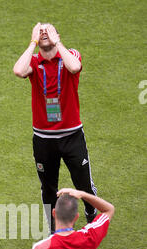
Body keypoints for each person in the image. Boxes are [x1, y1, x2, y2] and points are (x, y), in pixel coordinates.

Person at [13, 23, 97, 233]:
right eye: (40, 32)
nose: (44, 34)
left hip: (71, 135)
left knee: (83, 184)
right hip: (44, 138)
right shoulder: (33, 61)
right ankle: (53, 231)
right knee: (48, 188)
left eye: (48, 31)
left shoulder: (70, 55)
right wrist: (32, 42)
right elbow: (18, 70)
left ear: (57, 35)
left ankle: (91, 213)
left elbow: (74, 67)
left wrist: (57, 42)